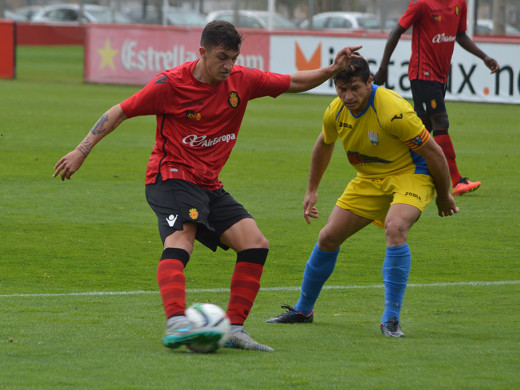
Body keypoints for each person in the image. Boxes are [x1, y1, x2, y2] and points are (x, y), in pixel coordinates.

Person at [53, 20, 361, 352]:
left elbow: (294, 81)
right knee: (182, 239)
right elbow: (119, 111)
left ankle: (235, 330)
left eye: (234, 57)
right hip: (170, 177)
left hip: (208, 184)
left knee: (255, 243)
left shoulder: (242, 81)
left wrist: (332, 70)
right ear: (202, 52)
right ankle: (177, 323)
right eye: (222, 57)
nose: (228, 65)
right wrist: (81, 150)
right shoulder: (169, 84)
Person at [265, 55, 459, 337]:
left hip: (410, 174)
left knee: (395, 227)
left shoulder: (393, 110)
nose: (348, 96)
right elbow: (324, 143)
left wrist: (444, 195)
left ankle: (390, 320)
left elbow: (434, 153)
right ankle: (303, 310)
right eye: (341, 89)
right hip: (369, 178)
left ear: (370, 82)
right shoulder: (335, 110)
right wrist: (312, 190)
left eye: (355, 88)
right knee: (328, 237)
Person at [373, 0, 499, 196]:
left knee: (422, 128)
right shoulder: (421, 4)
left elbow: (460, 35)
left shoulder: (460, 3)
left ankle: (392, 169)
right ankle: (457, 180)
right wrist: (383, 68)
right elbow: (395, 32)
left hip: (441, 76)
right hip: (422, 74)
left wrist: (484, 57)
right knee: (441, 121)